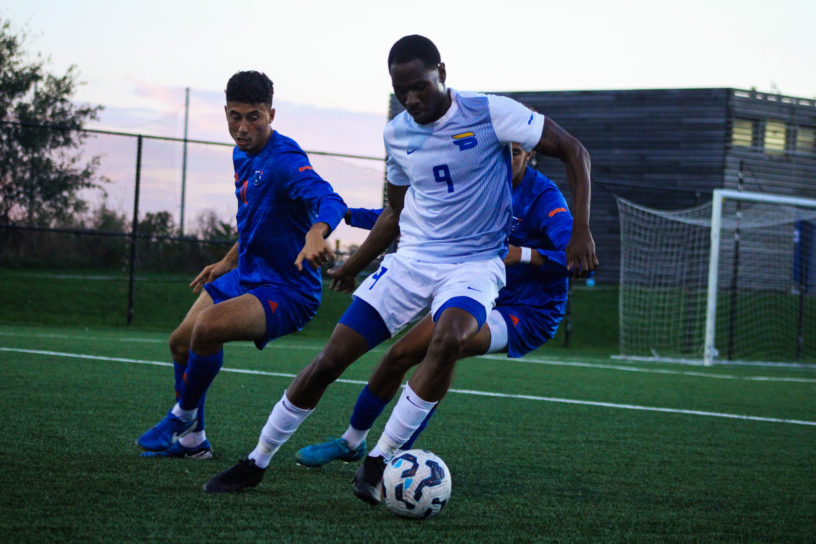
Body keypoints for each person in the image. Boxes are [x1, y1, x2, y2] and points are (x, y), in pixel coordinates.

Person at [202, 35, 596, 497]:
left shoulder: (490, 112)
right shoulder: (398, 132)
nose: (411, 99)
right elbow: (396, 213)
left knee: (449, 338)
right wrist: (357, 264)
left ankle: (377, 461)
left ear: (442, 74)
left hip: (474, 264)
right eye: (401, 90)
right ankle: (257, 460)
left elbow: (575, 150)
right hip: (412, 261)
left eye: (420, 88)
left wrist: (581, 230)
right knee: (332, 359)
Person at [295, 141, 576, 468]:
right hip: (477, 292)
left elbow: (577, 257)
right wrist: (347, 214)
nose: (503, 161)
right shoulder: (478, 185)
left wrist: (525, 254)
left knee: (446, 347)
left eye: (513, 153)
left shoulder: (545, 198)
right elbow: (413, 217)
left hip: (527, 311)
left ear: (530, 156)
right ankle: (351, 442)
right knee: (398, 355)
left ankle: (389, 457)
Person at [136, 71, 347, 458]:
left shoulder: (284, 159)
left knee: (208, 327)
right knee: (180, 342)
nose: (242, 127)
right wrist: (226, 261)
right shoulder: (241, 154)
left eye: (254, 117)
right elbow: (256, 219)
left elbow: (330, 199)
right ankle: (193, 442)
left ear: (271, 114)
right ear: (225, 112)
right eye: (235, 116)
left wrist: (317, 233)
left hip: (289, 289)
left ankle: (182, 413)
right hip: (246, 274)